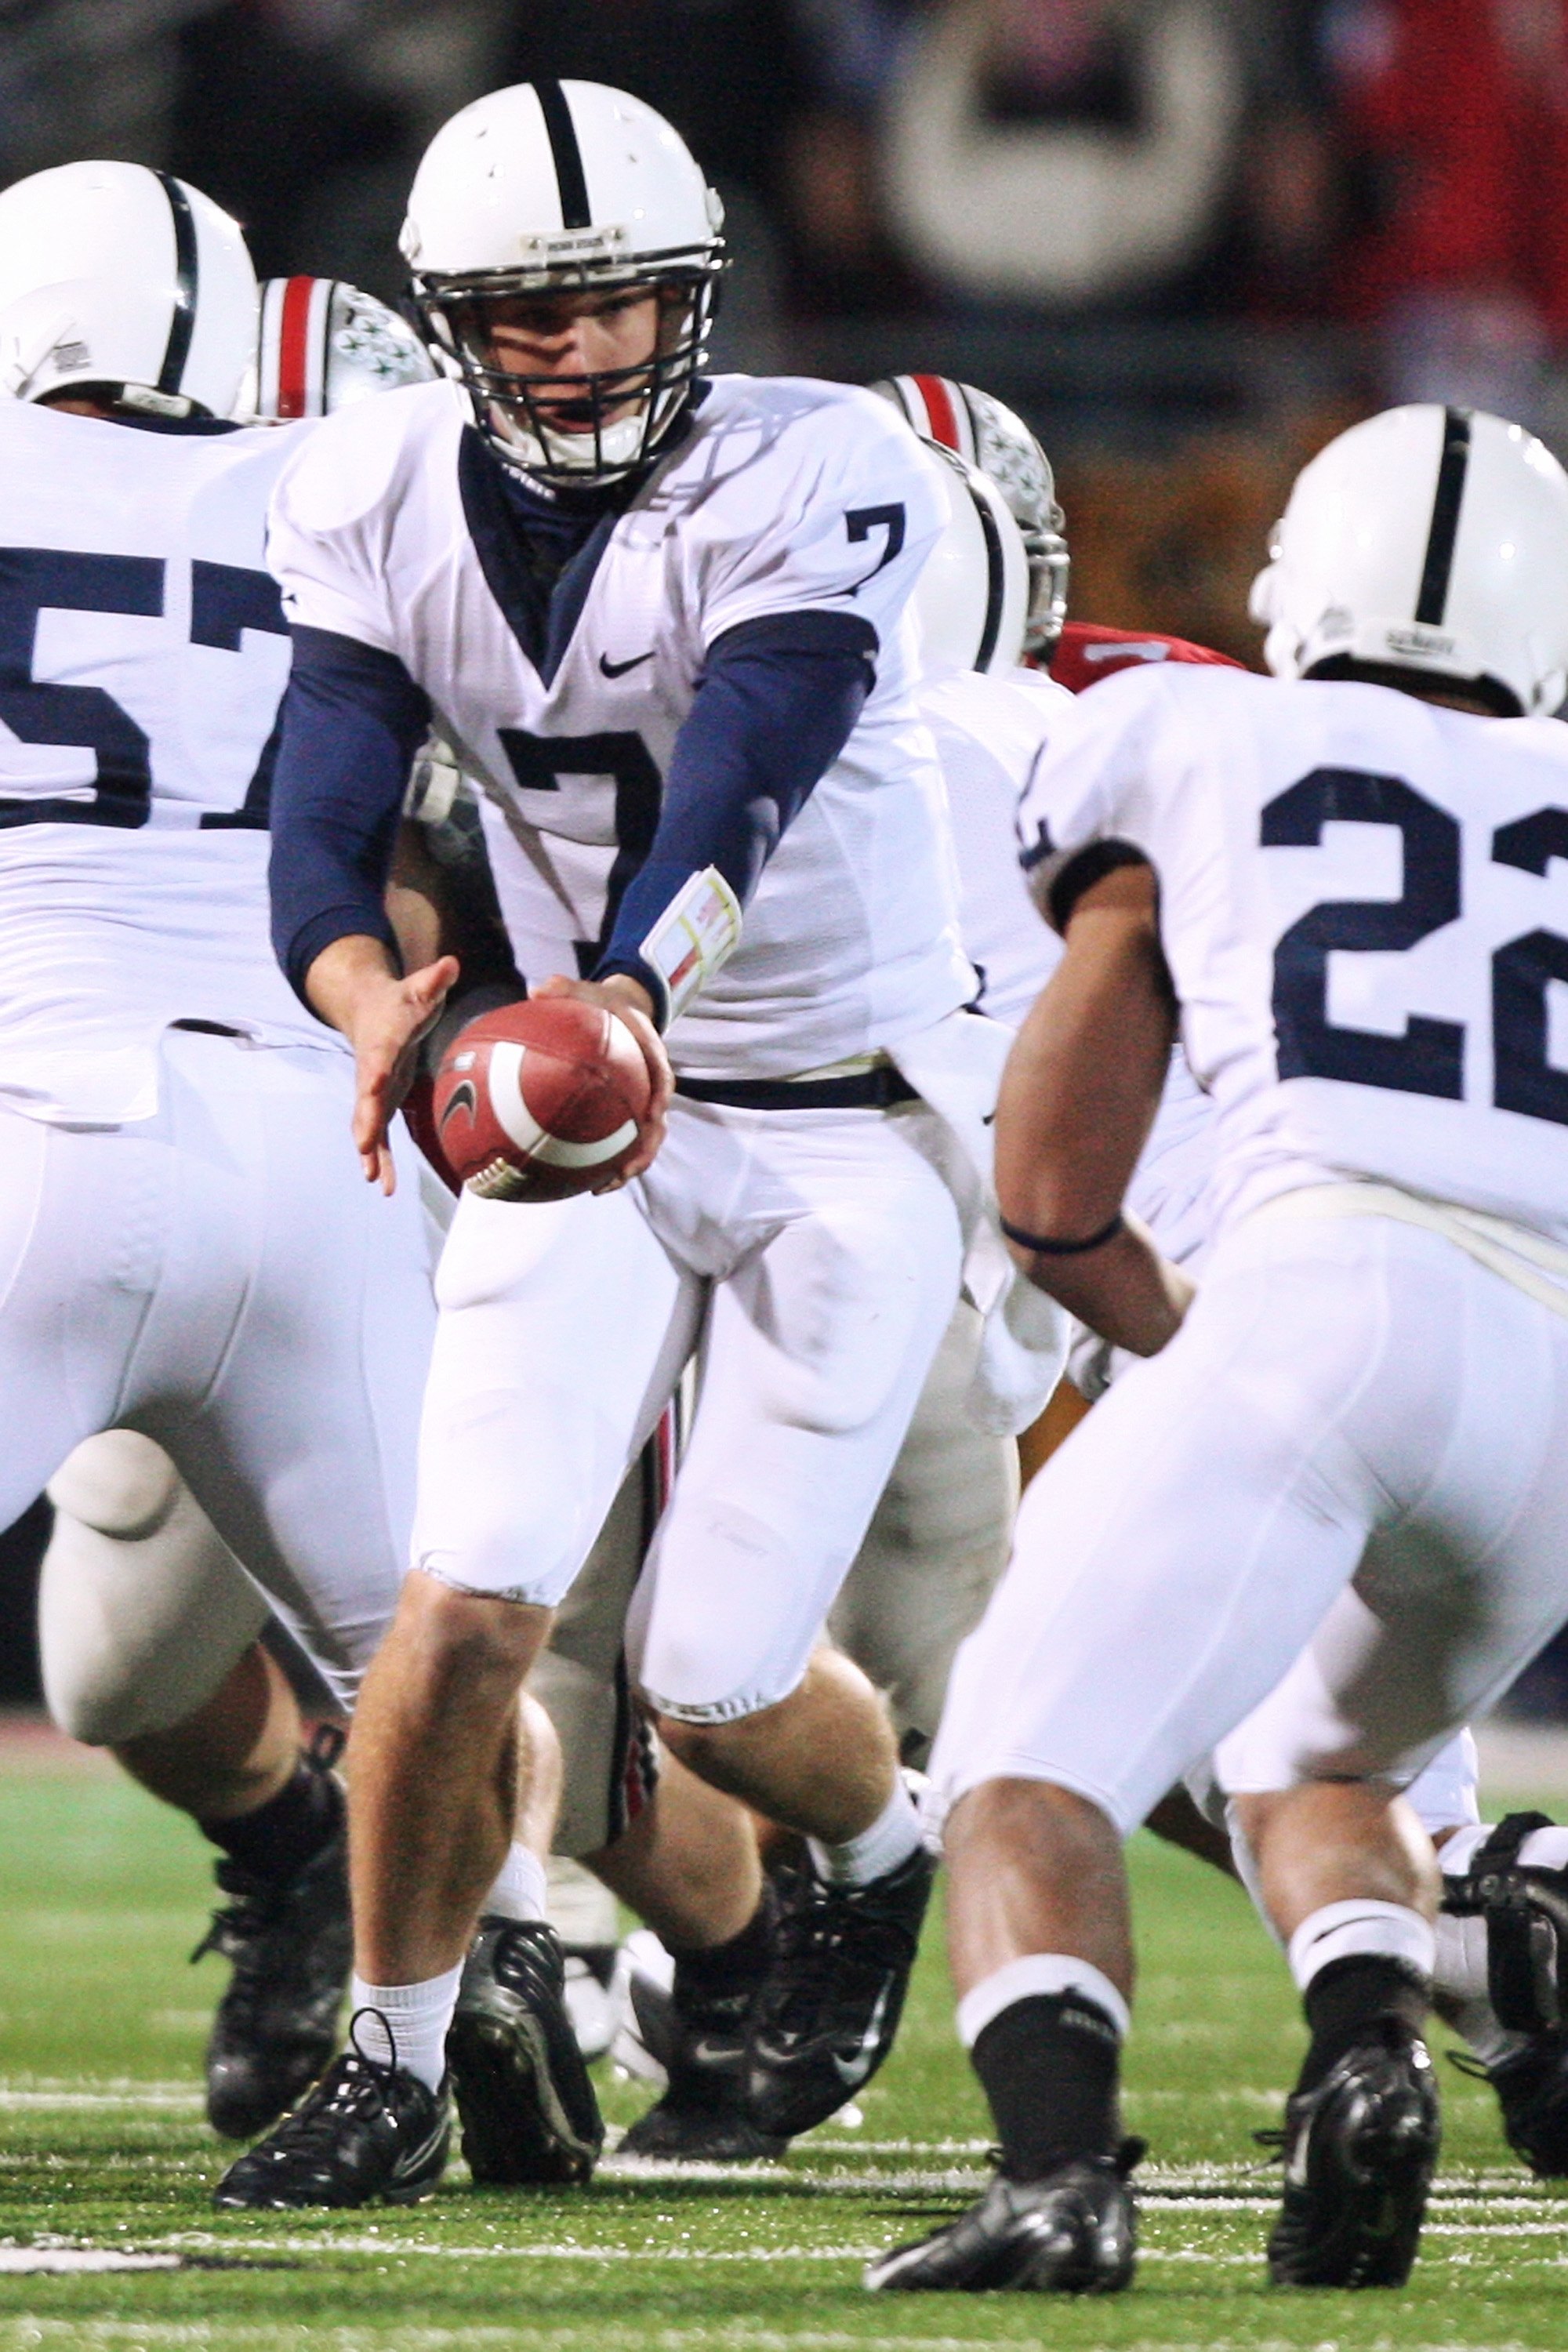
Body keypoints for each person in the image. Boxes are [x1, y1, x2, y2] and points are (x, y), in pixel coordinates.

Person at [218, 78, 1052, 2212]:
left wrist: (631, 990)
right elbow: (322, 788)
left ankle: (870, 1855)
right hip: (590, 1125)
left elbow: (748, 771)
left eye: (614, 302)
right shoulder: (374, 484)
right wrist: (361, 997)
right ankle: (387, 2058)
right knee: (465, 1605)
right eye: (528, 309)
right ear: (453, 317)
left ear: (690, 298)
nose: (579, 343)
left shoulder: (822, 458)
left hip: (833, 1115)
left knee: (712, 1674)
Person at [867, 401, 1568, 2294]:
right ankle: (1366, 2051)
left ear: (1290, 585)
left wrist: (1183, 1345)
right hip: (1551, 1388)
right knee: (1323, 1762)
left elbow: (1054, 1188)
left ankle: (1055, 2182)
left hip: (1324, 1286)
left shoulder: (1192, 735)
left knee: (1017, 1761)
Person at [0, 168, 439, 2145]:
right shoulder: (356, 483)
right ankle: (468, 2026)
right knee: (456, 1660)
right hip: (317, 1152)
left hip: (44, 1132)